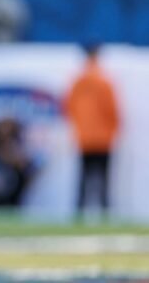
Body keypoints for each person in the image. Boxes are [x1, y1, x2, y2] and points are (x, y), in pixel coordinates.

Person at [64, 43, 120, 218]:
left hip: (84, 137)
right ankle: (104, 212)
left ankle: (79, 212)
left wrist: (80, 127)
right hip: (103, 138)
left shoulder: (78, 81)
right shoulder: (104, 81)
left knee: (84, 178)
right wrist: (113, 130)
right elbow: (112, 110)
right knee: (103, 178)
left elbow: (69, 107)